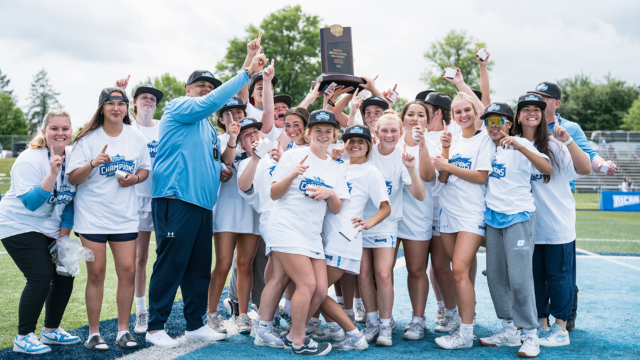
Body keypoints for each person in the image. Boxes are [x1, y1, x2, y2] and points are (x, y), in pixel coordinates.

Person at [145, 43, 268, 348]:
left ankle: (194, 323)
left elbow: (223, 162)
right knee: (171, 262)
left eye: (209, 87)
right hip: (175, 199)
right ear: (188, 90)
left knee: (199, 268)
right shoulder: (178, 107)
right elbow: (211, 102)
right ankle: (155, 325)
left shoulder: (209, 129)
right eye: (200, 86)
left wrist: (229, 150)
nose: (205, 91)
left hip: (202, 205)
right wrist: (246, 71)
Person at [527, 81, 617, 331]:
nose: (538, 102)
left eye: (544, 98)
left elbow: (587, 155)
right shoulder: (525, 128)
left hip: (559, 194)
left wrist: (602, 164)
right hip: (531, 208)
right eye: (535, 97)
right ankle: (540, 319)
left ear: (556, 103)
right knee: (538, 273)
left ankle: (564, 319)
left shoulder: (568, 129)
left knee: (559, 272)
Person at [68, 88, 151, 350]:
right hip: (92, 217)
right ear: (101, 108)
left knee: (128, 272)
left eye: (121, 103)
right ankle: (94, 333)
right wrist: (93, 163)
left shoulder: (135, 136)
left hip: (124, 217)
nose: (116, 108)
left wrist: (135, 179)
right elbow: (73, 178)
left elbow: (145, 168)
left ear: (127, 108)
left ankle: (123, 331)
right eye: (110, 103)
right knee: (97, 274)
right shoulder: (88, 139)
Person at [268, 109, 351, 356]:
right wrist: (293, 173)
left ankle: (295, 333)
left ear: (335, 135)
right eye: (318, 131)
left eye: (328, 131)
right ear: (309, 133)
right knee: (307, 283)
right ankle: (299, 341)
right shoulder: (294, 156)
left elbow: (336, 209)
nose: (323, 135)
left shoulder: (335, 167)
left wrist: (330, 194)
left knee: (321, 291)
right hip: (286, 228)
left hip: (312, 234)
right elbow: (274, 193)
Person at [512, 95, 591, 348]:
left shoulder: (556, 145)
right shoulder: (511, 146)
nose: (532, 113)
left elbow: (585, 168)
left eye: (537, 109)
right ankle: (541, 324)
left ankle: (561, 328)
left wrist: (567, 141)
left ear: (545, 113)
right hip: (527, 226)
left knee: (559, 278)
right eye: (526, 109)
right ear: (518, 115)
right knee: (534, 279)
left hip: (557, 226)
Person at [477, 100, 553, 359]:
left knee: (520, 279)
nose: (493, 126)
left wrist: (521, 145)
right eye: (489, 121)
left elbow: (547, 169)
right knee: (496, 276)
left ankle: (531, 334)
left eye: (498, 120)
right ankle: (509, 329)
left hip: (519, 217)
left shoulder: (523, 145)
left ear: (510, 123)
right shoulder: (487, 146)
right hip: (493, 219)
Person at [0, 109, 80, 355]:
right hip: (17, 224)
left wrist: (63, 238)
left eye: (65, 128)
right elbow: (31, 203)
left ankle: (51, 330)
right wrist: (52, 174)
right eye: (54, 128)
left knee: (66, 271)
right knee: (40, 274)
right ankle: (23, 337)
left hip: (51, 227)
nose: (60, 133)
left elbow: (70, 205)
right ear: (44, 132)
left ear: (71, 132)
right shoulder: (29, 159)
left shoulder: (74, 158)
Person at [207, 62, 276, 337]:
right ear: (221, 117)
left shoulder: (262, 145)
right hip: (225, 209)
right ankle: (211, 313)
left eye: (239, 112)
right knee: (223, 263)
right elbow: (220, 165)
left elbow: (268, 113)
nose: (235, 116)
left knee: (245, 264)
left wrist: (267, 82)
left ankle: (243, 314)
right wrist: (232, 145)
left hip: (251, 213)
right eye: (230, 113)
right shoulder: (218, 139)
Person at [313, 125, 391, 351]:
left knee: (316, 290)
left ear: (369, 146)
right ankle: (327, 327)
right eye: (351, 141)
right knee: (314, 289)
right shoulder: (339, 166)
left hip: (345, 240)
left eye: (360, 141)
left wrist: (368, 223)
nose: (355, 145)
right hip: (323, 237)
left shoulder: (371, 172)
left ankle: (352, 333)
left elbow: (385, 208)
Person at [359, 112, 425, 347]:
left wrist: (412, 168)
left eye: (393, 131)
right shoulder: (366, 152)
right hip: (359, 223)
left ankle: (386, 326)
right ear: (376, 133)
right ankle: (373, 323)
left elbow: (419, 194)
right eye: (384, 131)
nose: (388, 135)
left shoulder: (403, 157)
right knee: (364, 275)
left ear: (400, 132)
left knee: (384, 274)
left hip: (386, 222)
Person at [432, 92, 492, 350]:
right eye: (458, 112)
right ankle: (464, 321)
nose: (463, 115)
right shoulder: (453, 141)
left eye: (467, 110)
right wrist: (445, 152)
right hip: (448, 213)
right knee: (459, 272)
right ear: (453, 116)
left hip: (471, 214)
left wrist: (446, 164)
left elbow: (480, 177)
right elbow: (442, 180)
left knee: (458, 270)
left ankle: (466, 333)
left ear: (476, 112)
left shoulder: (485, 140)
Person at [112, 76, 165, 335]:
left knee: (165, 258)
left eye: (152, 99)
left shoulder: (164, 127)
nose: (148, 101)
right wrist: (119, 89)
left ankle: (159, 309)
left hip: (164, 199)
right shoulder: (129, 128)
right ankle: (141, 310)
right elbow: (113, 116)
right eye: (144, 97)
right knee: (140, 257)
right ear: (133, 103)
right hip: (137, 199)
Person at [395, 101, 438, 341]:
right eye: (410, 114)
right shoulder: (391, 141)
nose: (415, 118)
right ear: (403, 119)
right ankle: (383, 318)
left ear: (428, 121)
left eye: (421, 115)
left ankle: (417, 320)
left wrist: (421, 145)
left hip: (418, 213)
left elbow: (429, 176)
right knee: (382, 271)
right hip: (389, 215)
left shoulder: (431, 145)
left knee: (416, 269)